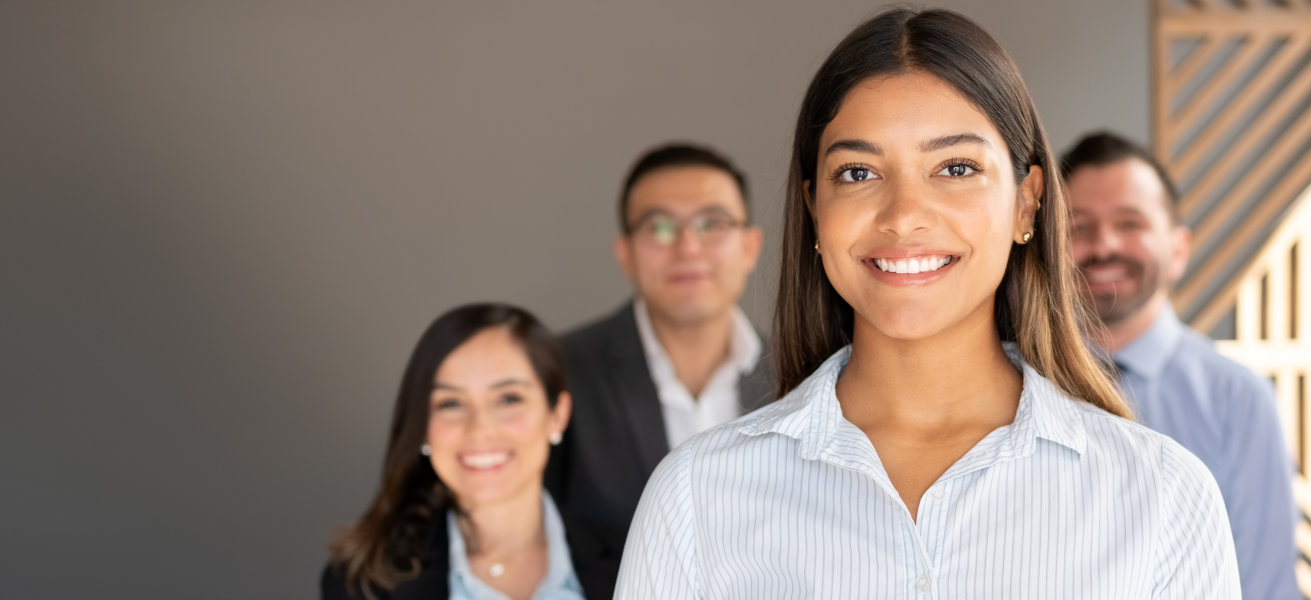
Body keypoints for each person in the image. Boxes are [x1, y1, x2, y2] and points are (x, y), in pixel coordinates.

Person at [612, 8, 1240, 599]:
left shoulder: (1162, 496)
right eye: (858, 173)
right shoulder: (696, 496)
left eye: (956, 167)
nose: (904, 216)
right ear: (813, 209)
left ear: (1027, 201)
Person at [1063, 131, 1303, 600]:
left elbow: (1263, 586)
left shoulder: (1238, 400)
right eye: (1078, 226)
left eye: (1130, 223)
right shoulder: (1014, 385)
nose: (1104, 244)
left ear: (1177, 249)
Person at [545, 143, 773, 549]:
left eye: (712, 224)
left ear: (749, 248)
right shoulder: (558, 372)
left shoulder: (809, 374)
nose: (687, 247)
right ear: (626, 254)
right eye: (660, 227)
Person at [323, 303, 619, 600]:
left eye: (508, 399)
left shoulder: (635, 560)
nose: (479, 430)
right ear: (422, 426)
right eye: (450, 403)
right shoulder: (361, 585)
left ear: (558, 415)